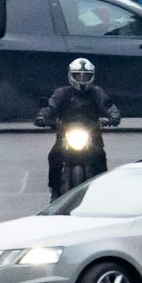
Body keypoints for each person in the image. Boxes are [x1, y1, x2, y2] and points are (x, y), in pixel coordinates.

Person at [35, 58, 120, 197]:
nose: (82, 79)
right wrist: (42, 117)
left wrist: (114, 115)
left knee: (100, 157)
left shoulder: (96, 92)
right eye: (78, 76)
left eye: (85, 76)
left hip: (92, 135)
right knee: (54, 156)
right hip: (65, 135)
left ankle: (102, 191)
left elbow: (107, 105)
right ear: (71, 75)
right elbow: (50, 106)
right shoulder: (62, 93)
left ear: (91, 76)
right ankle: (55, 191)